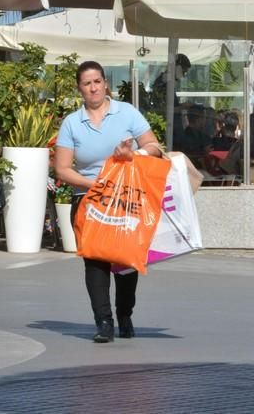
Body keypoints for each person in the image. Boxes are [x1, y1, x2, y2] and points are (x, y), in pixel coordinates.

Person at [54, 61, 162, 343]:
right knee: (95, 262)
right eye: (87, 83)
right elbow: (63, 169)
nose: (93, 88)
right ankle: (103, 321)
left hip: (125, 198)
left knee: (125, 260)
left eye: (97, 81)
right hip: (89, 200)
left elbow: (154, 147)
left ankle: (125, 313)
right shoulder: (71, 123)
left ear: (105, 83)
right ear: (80, 89)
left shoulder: (126, 112)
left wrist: (132, 155)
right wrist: (96, 185)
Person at [150, 53, 191, 145]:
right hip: (168, 128)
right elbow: (163, 109)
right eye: (183, 71)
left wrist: (181, 106)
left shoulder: (167, 81)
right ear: (178, 68)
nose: (183, 75)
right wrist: (182, 107)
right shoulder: (164, 83)